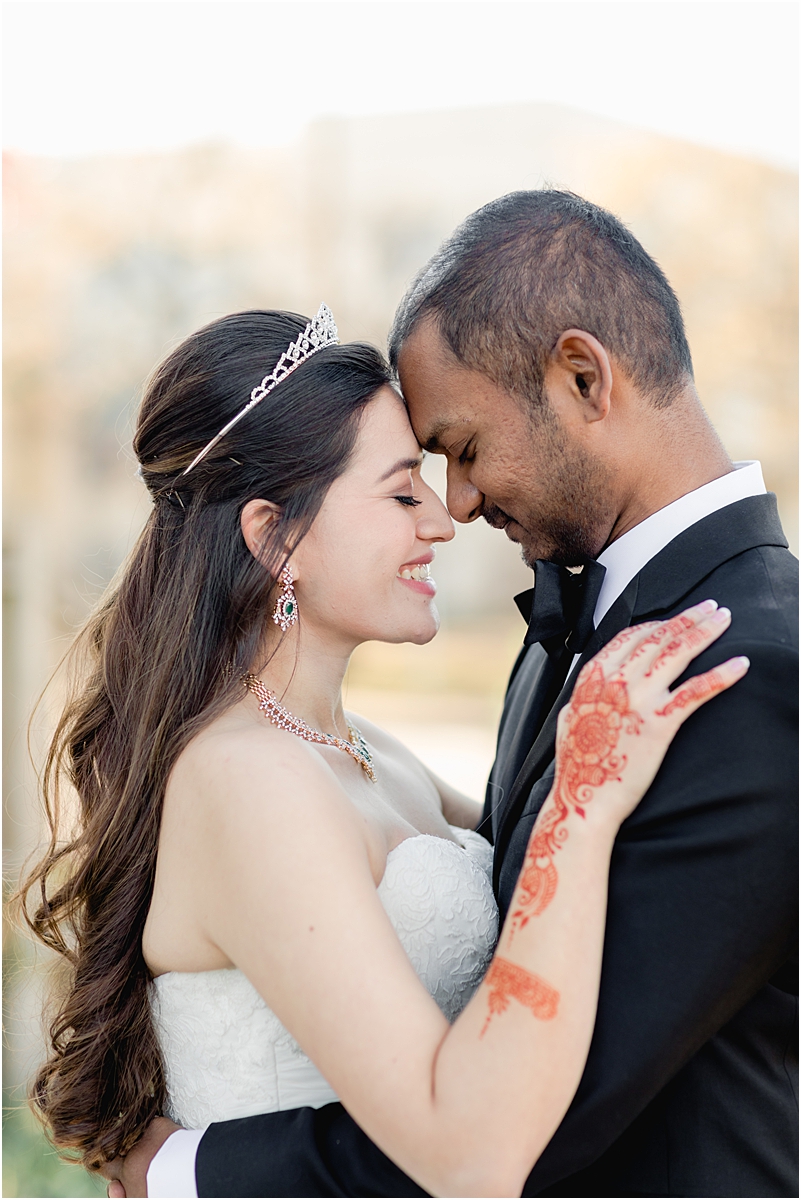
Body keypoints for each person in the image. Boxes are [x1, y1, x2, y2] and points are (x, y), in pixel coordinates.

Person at [115, 191, 797, 1198]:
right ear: (272, 536)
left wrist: (193, 1172)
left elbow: (546, 1114)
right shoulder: (570, 638)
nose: (454, 510)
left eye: (460, 453)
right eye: (409, 486)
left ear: (583, 377)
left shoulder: (752, 674)